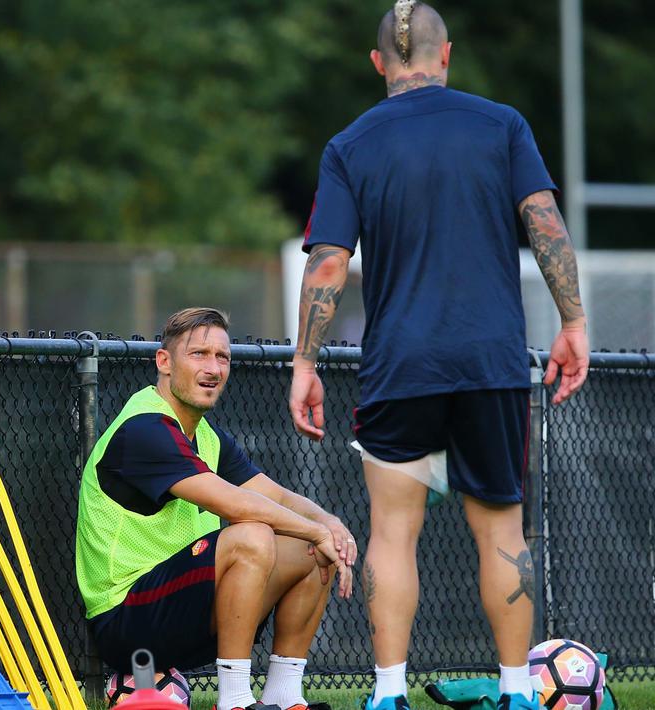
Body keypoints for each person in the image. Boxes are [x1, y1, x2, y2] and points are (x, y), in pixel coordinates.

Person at [287, 2, 589, 709]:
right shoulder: (501, 124)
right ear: (444, 54)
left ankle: (387, 694)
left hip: (400, 365)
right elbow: (544, 225)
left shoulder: (350, 144)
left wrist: (304, 363)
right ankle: (518, 693)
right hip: (488, 362)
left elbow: (328, 264)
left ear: (375, 64)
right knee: (502, 531)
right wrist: (573, 322)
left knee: (392, 535)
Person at [76, 307, 357, 710]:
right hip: (126, 621)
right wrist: (315, 530)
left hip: (181, 613)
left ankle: (285, 695)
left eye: (222, 357)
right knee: (253, 534)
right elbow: (238, 504)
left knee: (309, 550)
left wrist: (329, 525)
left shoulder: (206, 434)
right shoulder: (144, 429)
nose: (213, 368)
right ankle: (234, 701)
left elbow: (274, 495)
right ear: (164, 362)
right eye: (199, 354)